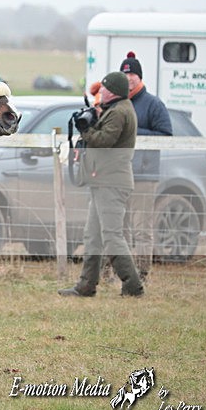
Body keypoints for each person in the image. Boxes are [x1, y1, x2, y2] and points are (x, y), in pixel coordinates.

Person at [59, 71, 144, 297]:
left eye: (105, 88)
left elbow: (104, 141)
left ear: (113, 92)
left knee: (112, 236)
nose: (101, 91)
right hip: (103, 181)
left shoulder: (119, 112)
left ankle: (133, 286)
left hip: (112, 183)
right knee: (93, 236)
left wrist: (85, 130)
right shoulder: (114, 109)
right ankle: (86, 285)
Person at [119, 52, 172, 281]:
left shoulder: (153, 104)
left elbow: (166, 135)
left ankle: (141, 274)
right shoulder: (119, 103)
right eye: (125, 74)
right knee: (119, 227)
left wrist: (133, 132)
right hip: (121, 174)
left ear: (139, 76)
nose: (128, 78)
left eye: (132, 74)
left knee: (141, 228)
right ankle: (121, 271)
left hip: (144, 175)